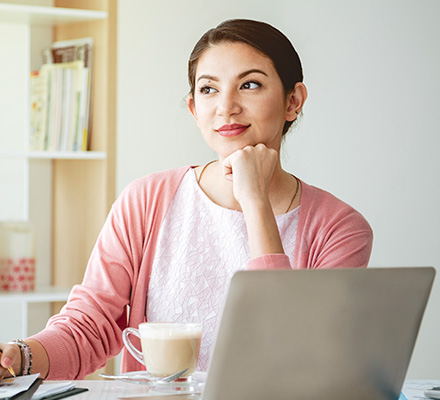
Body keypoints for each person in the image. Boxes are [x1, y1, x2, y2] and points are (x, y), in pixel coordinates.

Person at [0, 19, 373, 380]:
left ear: (294, 101)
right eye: (209, 89)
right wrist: (22, 356)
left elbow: (290, 354)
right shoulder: (146, 200)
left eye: (250, 85)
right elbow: (88, 326)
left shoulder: (340, 229)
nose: (226, 106)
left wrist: (255, 202)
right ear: (195, 109)